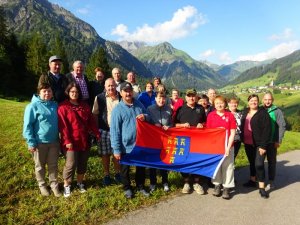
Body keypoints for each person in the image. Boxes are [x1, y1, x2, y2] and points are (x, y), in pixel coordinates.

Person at [58, 82, 100, 197]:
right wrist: (66, 141)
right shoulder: (63, 107)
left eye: (76, 92)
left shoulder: (85, 105)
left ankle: (80, 182)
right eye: (72, 91)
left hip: (84, 139)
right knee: (70, 163)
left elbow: (91, 121)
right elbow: (63, 126)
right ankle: (67, 185)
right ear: (68, 92)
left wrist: (97, 133)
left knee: (83, 162)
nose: (74, 94)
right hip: (71, 141)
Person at [110, 82, 150, 199]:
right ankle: (127, 188)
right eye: (125, 91)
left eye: (129, 90)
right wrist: (116, 149)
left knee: (140, 168)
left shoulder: (139, 104)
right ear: (121, 93)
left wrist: (145, 117)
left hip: (139, 144)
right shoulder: (117, 110)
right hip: (124, 146)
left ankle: (140, 186)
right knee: (125, 170)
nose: (128, 93)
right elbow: (115, 131)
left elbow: (148, 116)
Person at [23, 82, 61, 197]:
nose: (47, 93)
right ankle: (42, 186)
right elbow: (27, 126)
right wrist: (31, 142)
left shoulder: (55, 105)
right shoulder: (32, 106)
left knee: (53, 165)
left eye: (49, 91)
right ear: (39, 92)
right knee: (40, 166)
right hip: (39, 143)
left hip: (54, 142)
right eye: (44, 91)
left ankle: (54, 185)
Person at [174, 88, 206, 195]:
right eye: (189, 96)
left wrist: (202, 125)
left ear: (196, 97)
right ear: (186, 97)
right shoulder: (180, 109)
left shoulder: (200, 108)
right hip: (184, 140)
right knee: (184, 160)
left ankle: (197, 182)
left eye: (193, 96)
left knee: (197, 159)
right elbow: (174, 125)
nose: (191, 98)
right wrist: (182, 125)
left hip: (198, 140)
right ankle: (186, 182)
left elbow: (205, 122)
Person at [241, 94, 271, 199]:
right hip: (248, 143)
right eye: (251, 100)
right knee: (252, 163)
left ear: (258, 102)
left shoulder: (263, 113)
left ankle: (262, 188)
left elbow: (267, 130)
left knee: (259, 164)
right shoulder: (245, 112)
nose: (253, 102)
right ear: (248, 102)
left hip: (259, 144)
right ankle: (252, 180)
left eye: (255, 100)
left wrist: (263, 146)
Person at [92, 78, 121, 186]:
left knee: (116, 154)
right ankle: (106, 174)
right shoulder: (99, 98)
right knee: (105, 154)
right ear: (105, 87)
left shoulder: (121, 97)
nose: (110, 88)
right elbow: (95, 114)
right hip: (104, 130)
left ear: (116, 86)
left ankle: (118, 173)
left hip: (118, 131)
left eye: (112, 85)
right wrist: (96, 130)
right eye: (108, 86)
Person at [206, 96, 236, 199]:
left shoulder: (230, 115)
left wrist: (228, 147)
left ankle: (227, 187)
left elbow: (233, 132)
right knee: (217, 166)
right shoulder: (210, 115)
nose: (219, 105)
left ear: (225, 104)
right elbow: (208, 132)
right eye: (217, 103)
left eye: (221, 103)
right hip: (215, 147)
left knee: (228, 167)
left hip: (228, 146)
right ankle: (217, 185)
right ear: (214, 105)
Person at [147, 92, 173, 192]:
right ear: (155, 98)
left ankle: (165, 182)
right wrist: (154, 124)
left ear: (165, 99)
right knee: (153, 161)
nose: (161, 100)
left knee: (164, 161)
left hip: (165, 139)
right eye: (159, 98)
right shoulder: (150, 109)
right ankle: (153, 183)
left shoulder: (169, 109)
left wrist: (169, 127)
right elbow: (147, 122)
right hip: (153, 139)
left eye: (163, 98)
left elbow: (172, 123)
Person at [262, 92, 286, 189]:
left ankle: (271, 181)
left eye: (269, 99)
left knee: (271, 162)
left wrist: (278, 140)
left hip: (272, 142)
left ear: (272, 100)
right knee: (259, 163)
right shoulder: (260, 110)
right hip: (262, 143)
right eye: (266, 99)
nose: (267, 101)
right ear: (263, 100)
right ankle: (261, 181)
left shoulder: (277, 111)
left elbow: (282, 126)